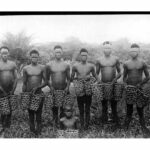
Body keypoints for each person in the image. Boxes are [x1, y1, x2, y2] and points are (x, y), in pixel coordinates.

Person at [123, 43, 150, 135]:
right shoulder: (126, 63)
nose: (133, 53)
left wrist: (140, 84)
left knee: (140, 109)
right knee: (129, 109)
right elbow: (124, 77)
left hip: (139, 89)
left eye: (135, 51)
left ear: (138, 51)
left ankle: (143, 127)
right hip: (130, 89)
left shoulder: (142, 63)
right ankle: (125, 127)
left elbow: (147, 76)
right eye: (131, 51)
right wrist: (125, 85)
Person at [71, 48, 99, 130]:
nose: (84, 57)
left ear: (87, 56)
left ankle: (87, 125)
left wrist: (95, 82)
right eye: (82, 55)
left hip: (88, 88)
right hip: (80, 88)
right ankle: (82, 124)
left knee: (87, 108)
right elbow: (72, 77)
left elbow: (95, 76)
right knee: (80, 108)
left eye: (85, 55)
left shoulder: (90, 66)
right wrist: (76, 83)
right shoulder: (75, 66)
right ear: (80, 56)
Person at [96, 41, 121, 127]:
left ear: (111, 49)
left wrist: (114, 80)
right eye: (105, 48)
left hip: (113, 84)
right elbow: (96, 73)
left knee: (114, 104)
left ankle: (116, 122)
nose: (107, 50)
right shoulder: (99, 60)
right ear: (103, 49)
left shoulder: (115, 59)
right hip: (103, 84)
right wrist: (99, 81)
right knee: (104, 105)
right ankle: (104, 122)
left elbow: (120, 72)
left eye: (109, 48)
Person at [22, 50, 47, 135]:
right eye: (32, 56)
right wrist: (24, 96)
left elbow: (46, 81)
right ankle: (32, 130)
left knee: (38, 113)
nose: (34, 58)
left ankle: (39, 131)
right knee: (31, 113)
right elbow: (24, 83)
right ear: (30, 57)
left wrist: (38, 87)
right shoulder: (26, 68)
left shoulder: (42, 68)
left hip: (39, 93)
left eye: (36, 57)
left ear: (38, 57)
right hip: (29, 94)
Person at [46, 45, 71, 128]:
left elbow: (68, 78)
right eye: (56, 52)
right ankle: (55, 124)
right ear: (54, 53)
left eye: (59, 52)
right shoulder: (49, 65)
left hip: (64, 89)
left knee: (64, 108)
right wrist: (51, 87)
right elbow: (47, 79)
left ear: (62, 53)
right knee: (54, 108)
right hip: (54, 90)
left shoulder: (66, 65)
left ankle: (62, 125)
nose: (58, 53)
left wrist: (67, 87)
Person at [0, 46, 18, 132]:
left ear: (8, 53)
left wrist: (13, 90)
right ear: (0, 54)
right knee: (3, 107)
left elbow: (16, 78)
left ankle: (8, 124)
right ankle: (2, 124)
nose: (4, 55)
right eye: (3, 53)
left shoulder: (12, 64)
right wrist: (2, 90)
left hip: (11, 90)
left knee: (10, 107)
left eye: (6, 53)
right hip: (1, 91)